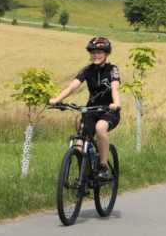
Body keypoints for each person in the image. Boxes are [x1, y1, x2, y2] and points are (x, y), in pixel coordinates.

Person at [49, 36, 121, 180]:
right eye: (93, 52)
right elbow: (72, 87)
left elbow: (115, 88)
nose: (96, 55)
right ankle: (85, 176)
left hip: (109, 111)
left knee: (101, 128)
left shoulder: (113, 70)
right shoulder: (87, 71)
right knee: (79, 144)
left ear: (106, 54)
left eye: (100, 52)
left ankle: (103, 167)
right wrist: (57, 99)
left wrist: (116, 103)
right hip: (91, 111)